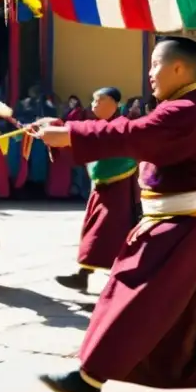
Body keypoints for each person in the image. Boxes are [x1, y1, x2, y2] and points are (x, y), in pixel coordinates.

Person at [29, 37, 196, 392]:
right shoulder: (184, 106)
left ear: (178, 68)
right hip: (186, 224)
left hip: (179, 226)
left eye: (155, 64)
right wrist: (62, 128)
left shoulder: (184, 109)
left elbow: (131, 135)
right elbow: (134, 131)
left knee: (129, 295)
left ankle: (90, 378)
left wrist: (69, 133)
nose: (149, 72)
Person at [56, 87, 138, 293]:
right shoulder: (100, 124)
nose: (93, 105)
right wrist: (53, 127)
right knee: (94, 231)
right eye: (93, 100)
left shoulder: (123, 126)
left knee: (109, 234)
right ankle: (83, 275)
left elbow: (124, 157)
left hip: (119, 190)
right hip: (101, 188)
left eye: (98, 100)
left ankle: (116, 282)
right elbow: (80, 131)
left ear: (113, 103)